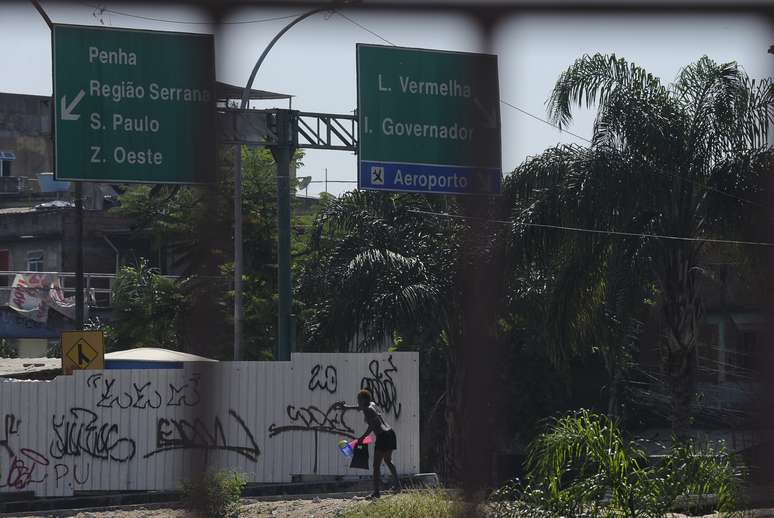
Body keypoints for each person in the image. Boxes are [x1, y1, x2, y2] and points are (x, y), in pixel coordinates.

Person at [336, 389, 399, 498]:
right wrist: (347, 407)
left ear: (364, 400)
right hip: (390, 434)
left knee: (376, 465)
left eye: (359, 399)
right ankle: (398, 486)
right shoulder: (372, 404)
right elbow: (359, 407)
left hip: (383, 437)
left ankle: (376, 493)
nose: (358, 401)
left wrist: (362, 438)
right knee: (388, 460)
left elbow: (372, 425)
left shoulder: (368, 409)